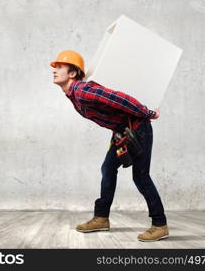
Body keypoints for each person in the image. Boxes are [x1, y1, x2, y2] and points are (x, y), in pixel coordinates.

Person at [50, 50, 169, 242]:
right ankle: (102, 218)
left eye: (59, 67)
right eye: (54, 67)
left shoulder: (83, 91)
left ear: (72, 73)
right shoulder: (73, 95)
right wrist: (117, 132)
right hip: (122, 133)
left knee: (140, 176)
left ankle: (160, 224)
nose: (54, 70)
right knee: (108, 168)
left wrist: (148, 113)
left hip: (137, 129)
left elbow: (120, 98)